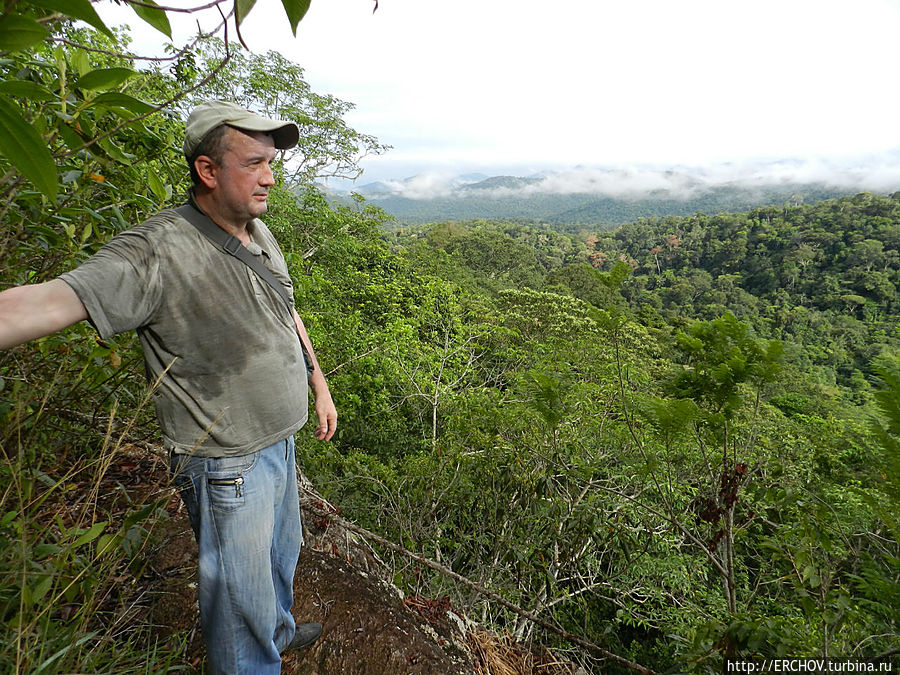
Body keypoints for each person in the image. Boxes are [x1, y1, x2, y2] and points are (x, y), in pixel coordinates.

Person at [0, 101, 337, 674]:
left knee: (280, 558)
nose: (269, 177)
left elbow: (287, 312)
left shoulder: (256, 230)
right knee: (238, 600)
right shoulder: (156, 250)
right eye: (253, 163)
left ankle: (277, 630)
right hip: (228, 462)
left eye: (271, 163)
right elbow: (49, 301)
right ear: (208, 170)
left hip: (279, 438)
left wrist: (318, 383)